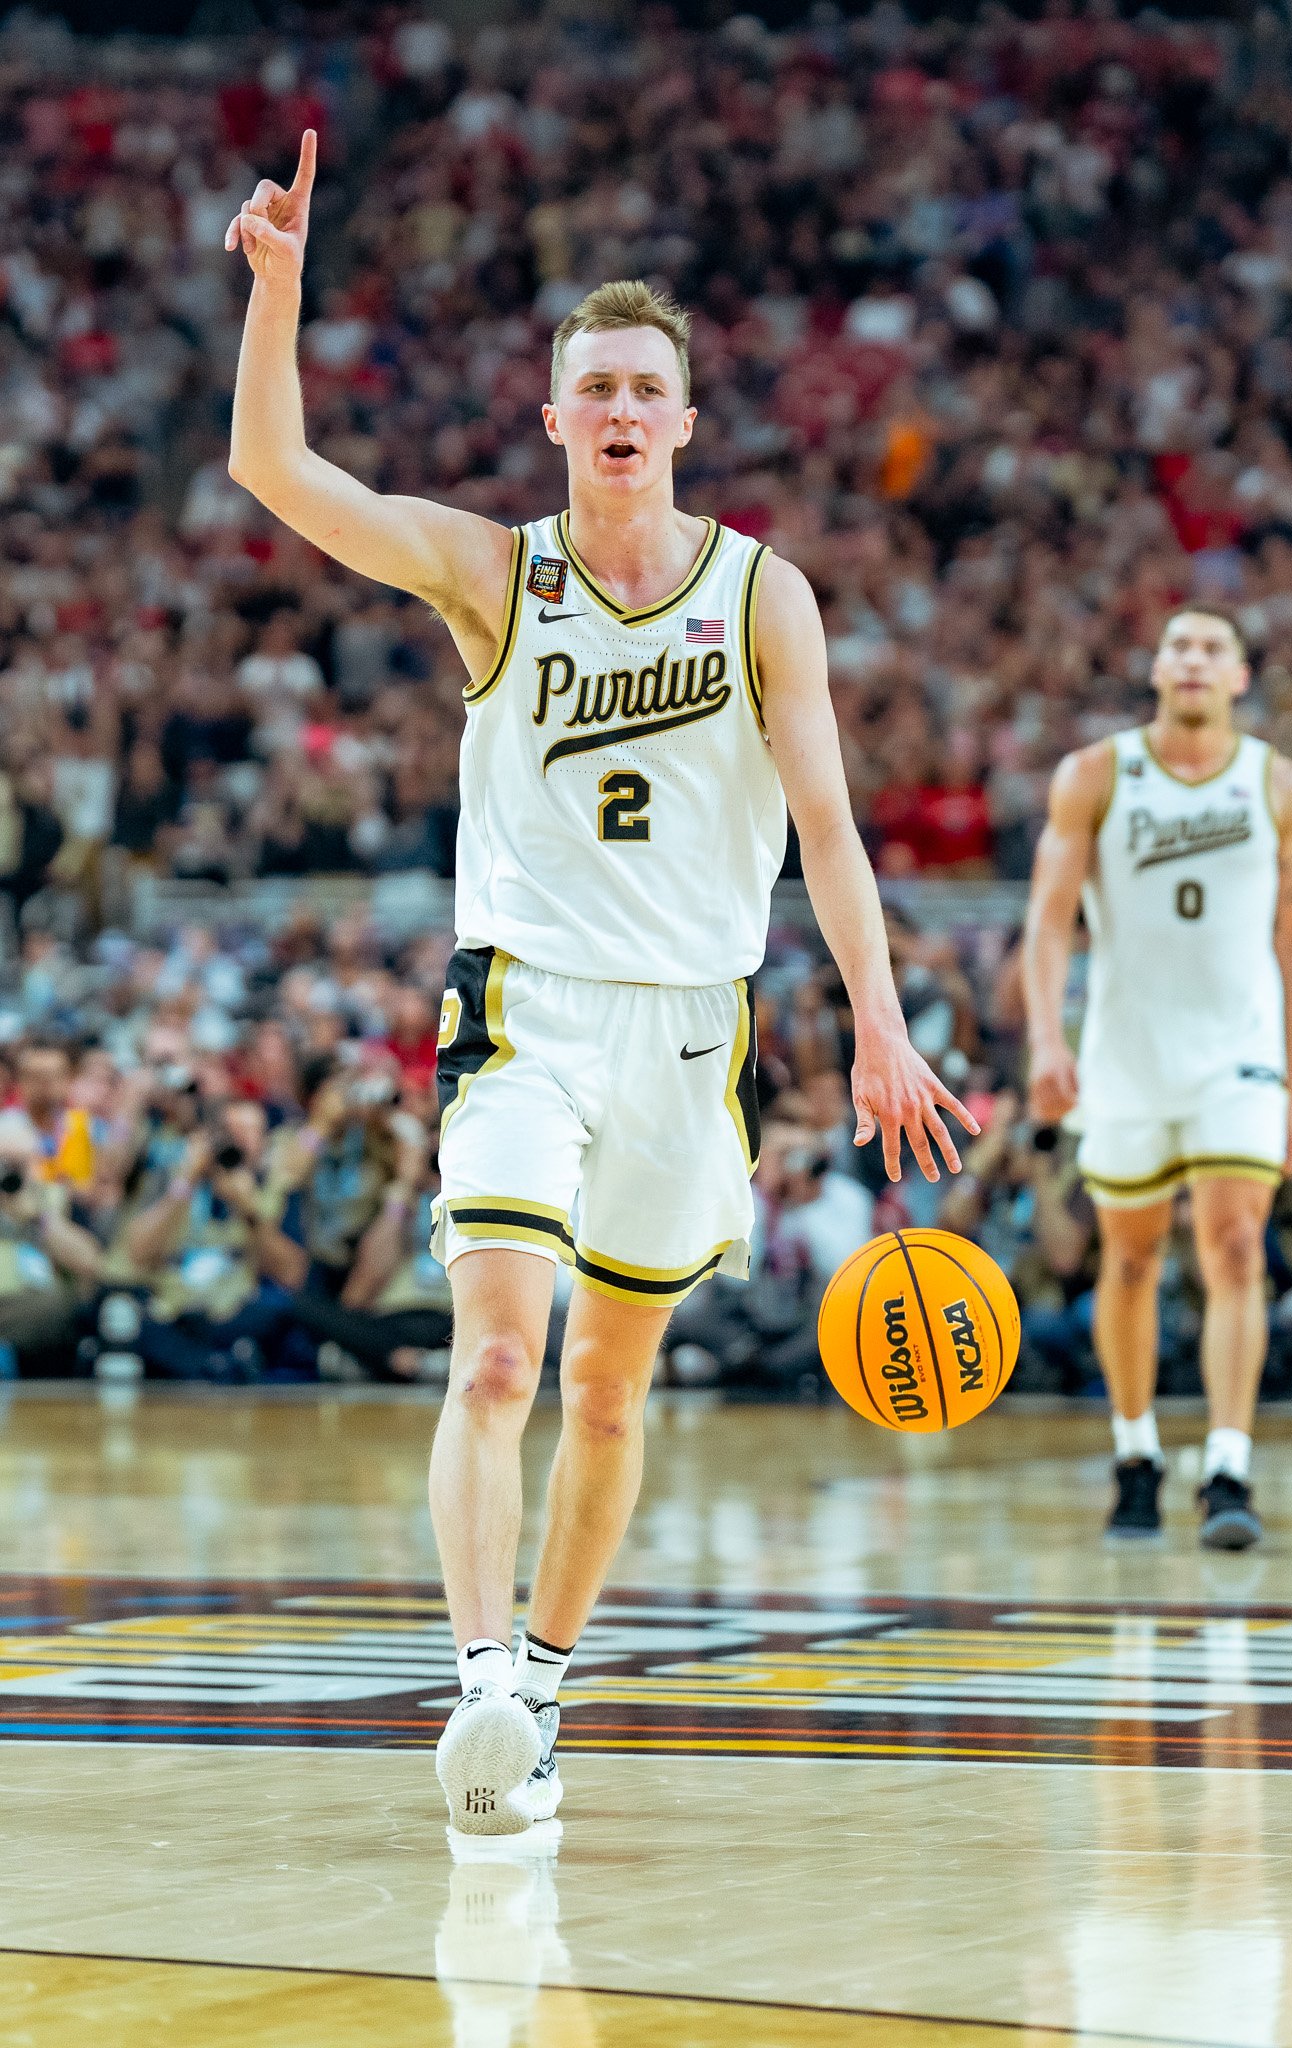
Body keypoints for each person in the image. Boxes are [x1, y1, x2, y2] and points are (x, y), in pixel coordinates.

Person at [226, 133, 977, 1839]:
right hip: (528, 1012)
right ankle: (482, 1671)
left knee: (609, 1391)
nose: (623, 407)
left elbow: (829, 830)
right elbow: (276, 467)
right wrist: (277, 295)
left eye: (648, 385)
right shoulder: (498, 573)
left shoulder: (761, 594)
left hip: (696, 1027)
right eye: (597, 387)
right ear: (555, 417)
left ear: (684, 420)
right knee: (500, 1360)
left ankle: (548, 1688)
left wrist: (878, 1017)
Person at [1023, 606, 1292, 1549]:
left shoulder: (1279, 785)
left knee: (1235, 1248)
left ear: (1238, 677)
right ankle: (1135, 1454)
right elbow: (1047, 919)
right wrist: (1045, 1040)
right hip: (1127, 1053)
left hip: (1240, 1052)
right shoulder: (1097, 774)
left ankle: (1227, 1467)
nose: (1192, 659)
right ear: (1155, 670)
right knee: (1131, 1257)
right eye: (1178, 646)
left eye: (1212, 648)